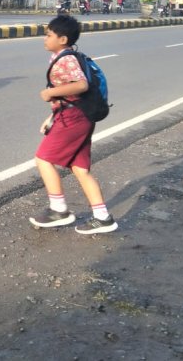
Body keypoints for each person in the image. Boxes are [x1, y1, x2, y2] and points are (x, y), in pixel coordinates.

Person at [29, 14, 118, 234]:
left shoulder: (66, 59)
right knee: (80, 169)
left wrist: (49, 93)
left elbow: (80, 85)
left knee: (43, 159)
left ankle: (59, 210)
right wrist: (51, 116)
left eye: (49, 35)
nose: (44, 38)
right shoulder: (65, 56)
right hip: (76, 115)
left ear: (63, 39)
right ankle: (102, 217)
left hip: (74, 118)